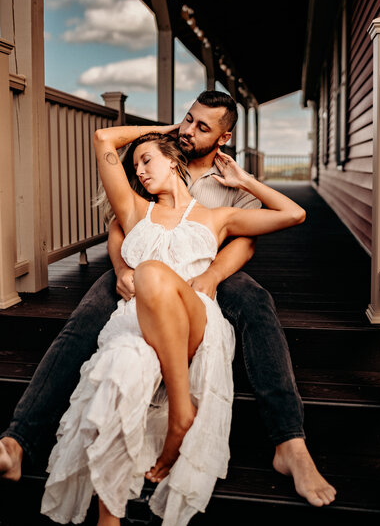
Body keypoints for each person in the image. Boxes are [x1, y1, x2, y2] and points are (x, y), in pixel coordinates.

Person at [0, 91, 336, 509]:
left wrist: (211, 276)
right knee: (83, 321)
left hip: (205, 270)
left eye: (202, 127)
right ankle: (18, 440)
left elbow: (245, 242)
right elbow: (121, 222)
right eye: (188, 119)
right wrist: (123, 270)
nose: (189, 130)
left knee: (256, 303)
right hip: (138, 266)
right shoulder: (154, 157)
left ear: (224, 137)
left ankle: (290, 442)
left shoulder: (230, 181)